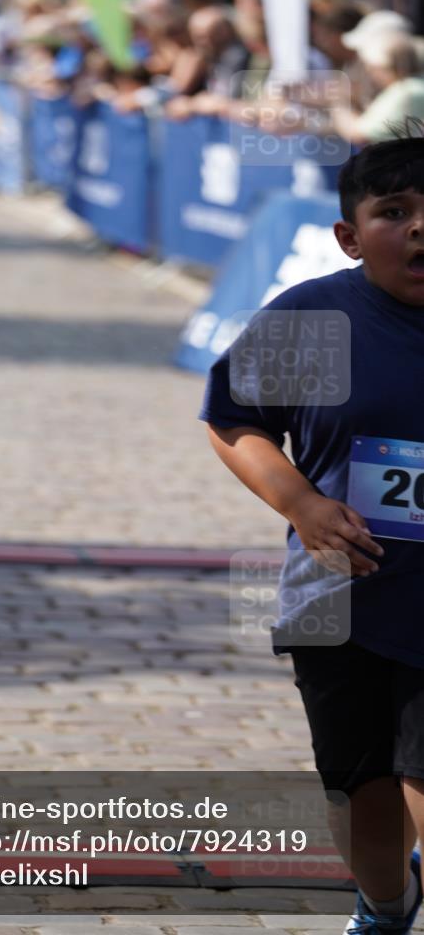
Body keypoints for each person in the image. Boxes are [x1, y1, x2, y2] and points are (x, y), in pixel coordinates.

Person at [201, 132, 423, 933]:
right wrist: (300, 504)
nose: (418, 229)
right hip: (340, 600)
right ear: (348, 236)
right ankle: (386, 904)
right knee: (362, 801)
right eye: (393, 213)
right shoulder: (312, 320)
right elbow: (234, 423)